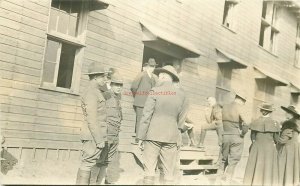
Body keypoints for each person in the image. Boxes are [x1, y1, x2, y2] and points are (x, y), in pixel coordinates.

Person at [137, 65, 188, 184]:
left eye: (159, 77)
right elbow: (182, 119)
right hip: (171, 137)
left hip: (152, 135)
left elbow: (146, 115)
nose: (158, 79)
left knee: (149, 170)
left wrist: (140, 136)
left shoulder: (155, 91)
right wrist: (176, 131)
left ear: (164, 76)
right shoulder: (182, 95)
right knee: (168, 172)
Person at [76, 62, 110, 185]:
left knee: (88, 163)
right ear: (95, 77)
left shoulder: (96, 91)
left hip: (94, 135)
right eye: (103, 77)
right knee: (87, 163)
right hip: (93, 136)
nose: (105, 80)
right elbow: (92, 119)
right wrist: (99, 139)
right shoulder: (91, 92)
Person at [243, 103, 280, 186]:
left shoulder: (255, 122)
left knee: (255, 164)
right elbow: (276, 139)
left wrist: (255, 142)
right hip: (269, 148)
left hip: (257, 146)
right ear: (270, 112)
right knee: (268, 166)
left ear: (261, 111)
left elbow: (252, 136)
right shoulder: (275, 123)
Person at [216, 91, 248, 185]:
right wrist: (242, 134)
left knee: (223, 159)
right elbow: (246, 124)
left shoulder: (225, 106)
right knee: (233, 161)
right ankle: (227, 182)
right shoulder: (240, 108)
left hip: (225, 136)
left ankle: (217, 181)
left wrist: (222, 134)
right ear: (241, 100)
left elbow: (219, 122)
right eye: (243, 102)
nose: (243, 104)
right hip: (236, 137)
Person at [99, 72, 124, 184]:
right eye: (116, 85)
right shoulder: (106, 95)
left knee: (107, 161)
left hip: (115, 134)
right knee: (100, 159)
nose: (119, 87)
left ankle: (104, 180)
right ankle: (96, 181)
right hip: (106, 133)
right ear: (111, 84)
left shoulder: (117, 98)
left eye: (120, 85)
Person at [130, 58, 158, 144]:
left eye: (153, 67)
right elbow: (134, 87)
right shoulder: (141, 75)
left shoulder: (154, 78)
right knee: (140, 120)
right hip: (140, 102)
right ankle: (138, 138)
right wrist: (139, 96)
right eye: (151, 66)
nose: (152, 68)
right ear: (147, 66)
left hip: (149, 103)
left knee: (146, 120)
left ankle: (144, 138)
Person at [277, 105, 300, 186]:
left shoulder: (289, 124)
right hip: (294, 148)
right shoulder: (297, 122)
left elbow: (283, 140)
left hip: (288, 148)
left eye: (287, 112)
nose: (285, 114)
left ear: (290, 114)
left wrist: (275, 138)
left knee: (284, 165)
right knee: (291, 167)